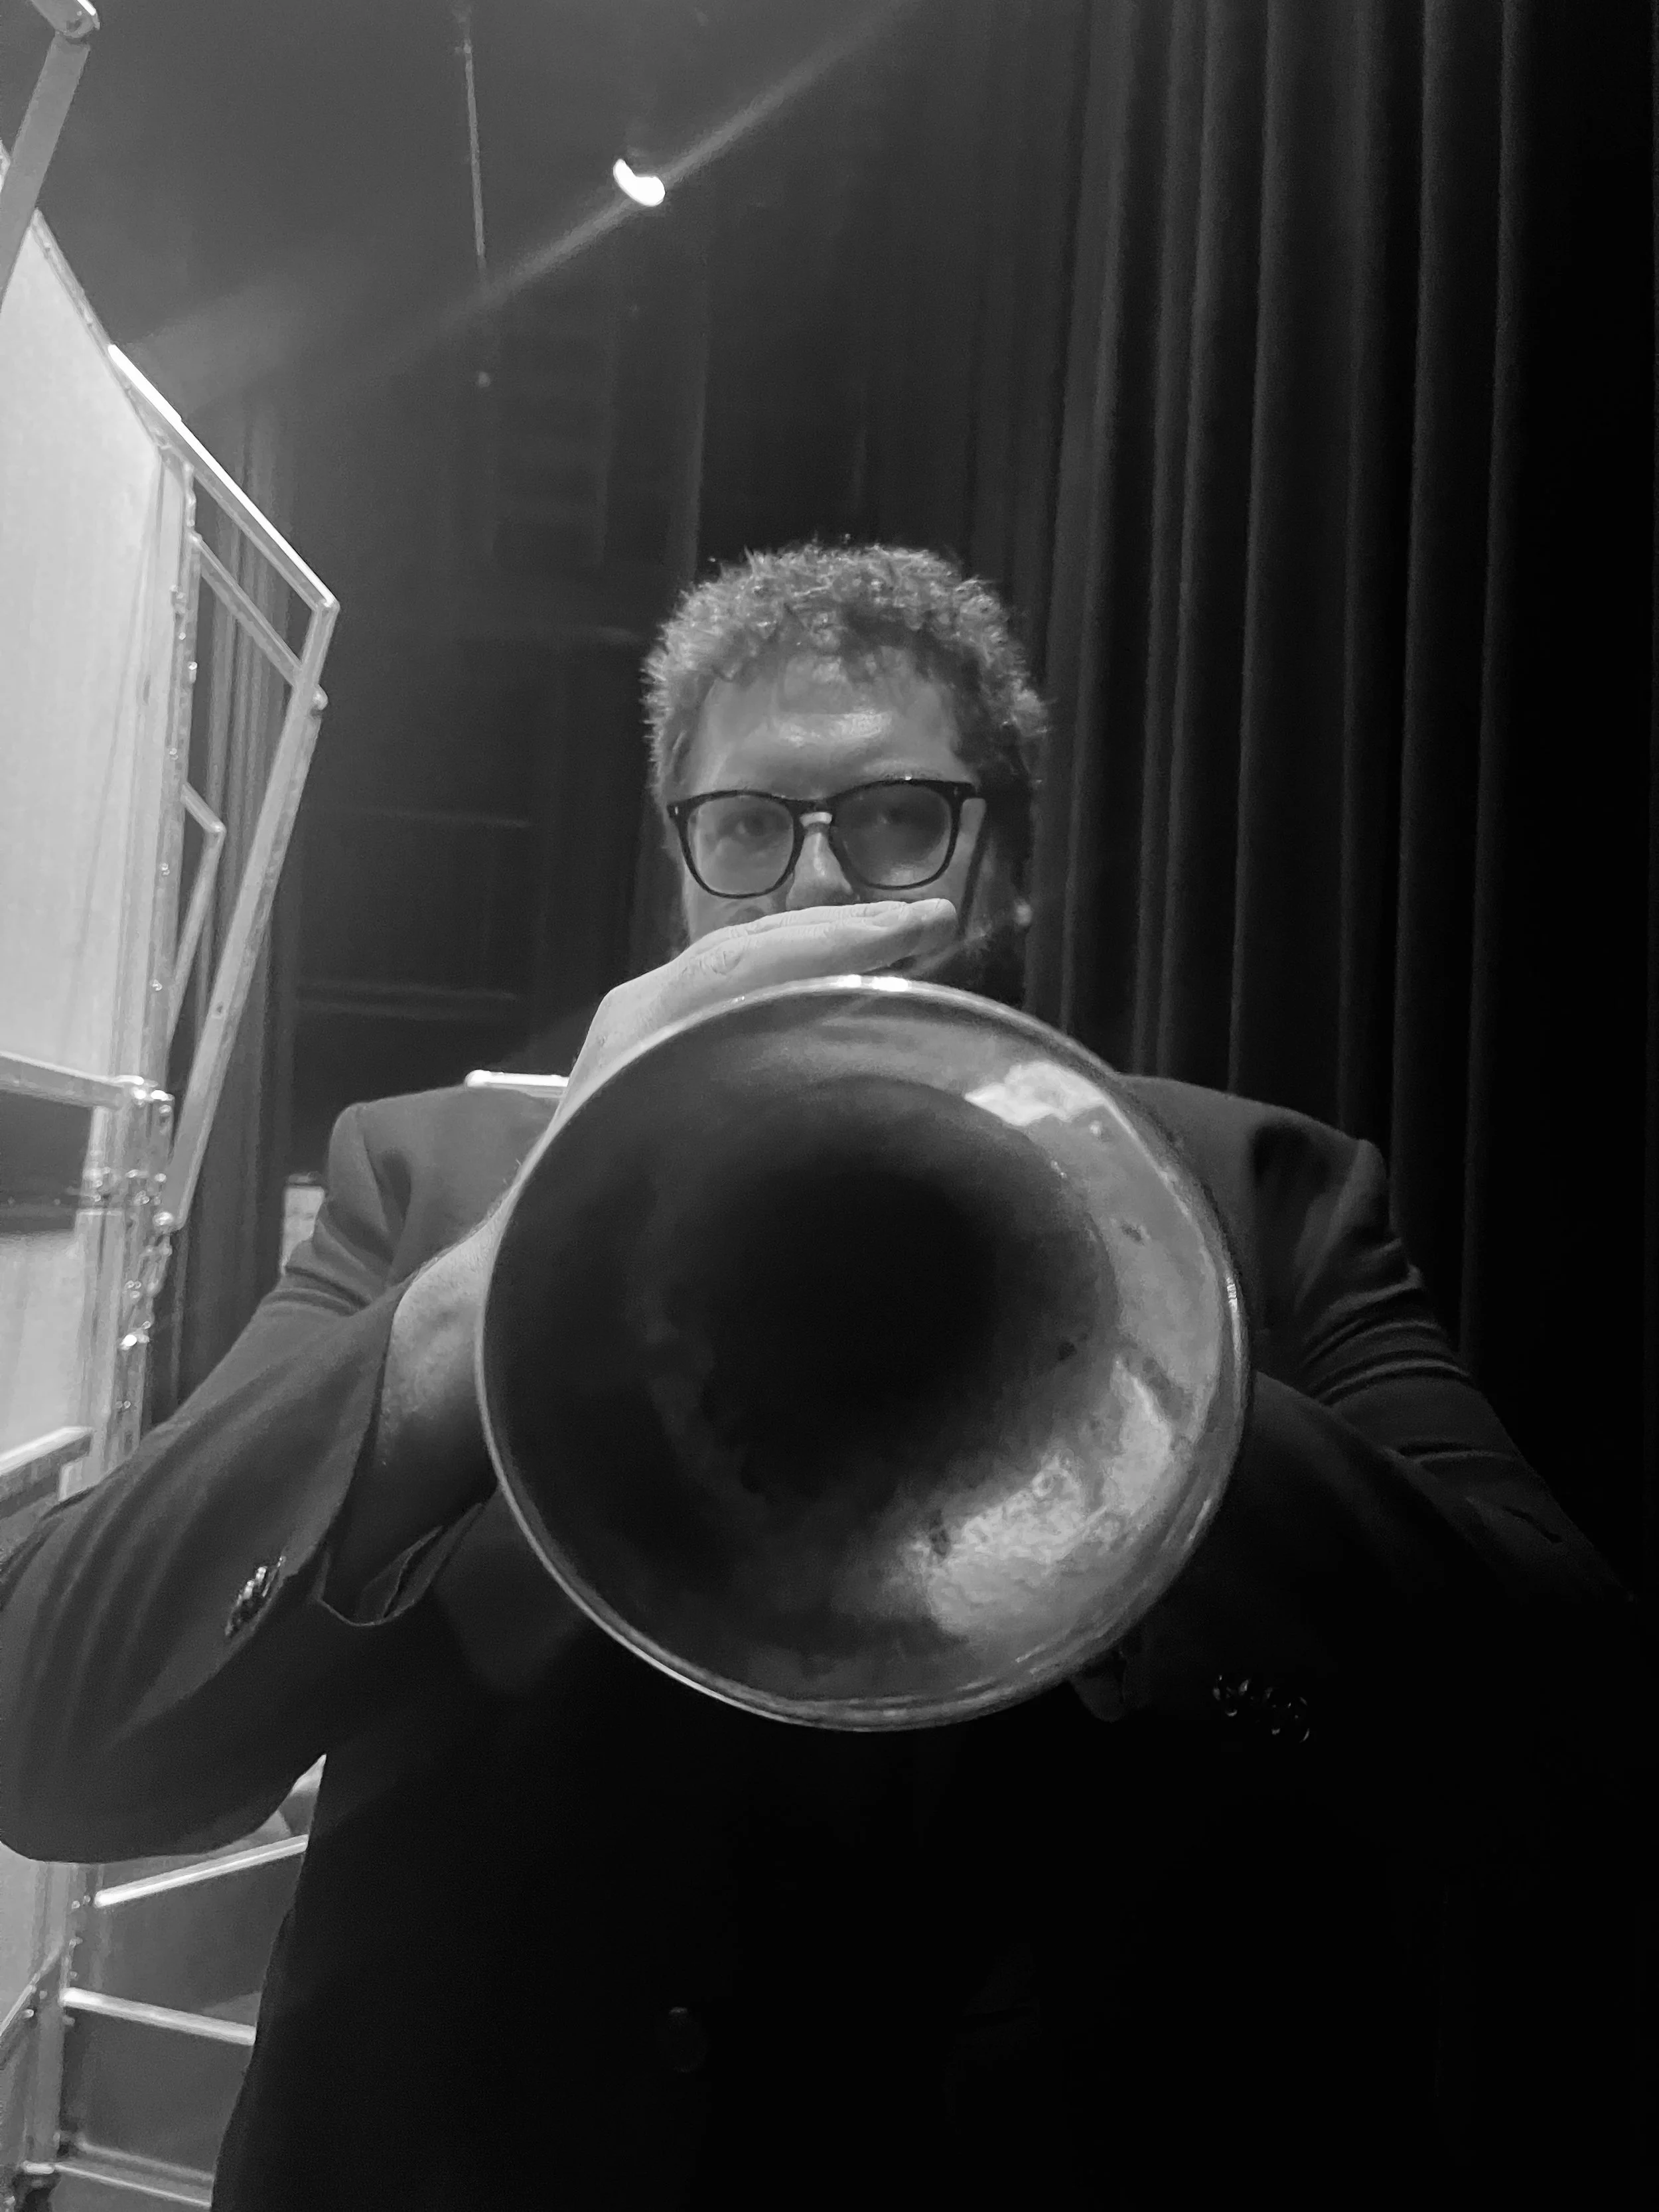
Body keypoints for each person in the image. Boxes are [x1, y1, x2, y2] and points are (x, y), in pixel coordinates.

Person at [0, 544, 1644, 2209]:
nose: (804, 890)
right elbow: (49, 1734)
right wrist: (490, 1287)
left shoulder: (1260, 1197)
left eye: (890, 819)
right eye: (745, 829)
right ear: (682, 878)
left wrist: (1138, 1358)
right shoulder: (423, 1181)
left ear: (998, 867)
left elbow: (1577, 1731)